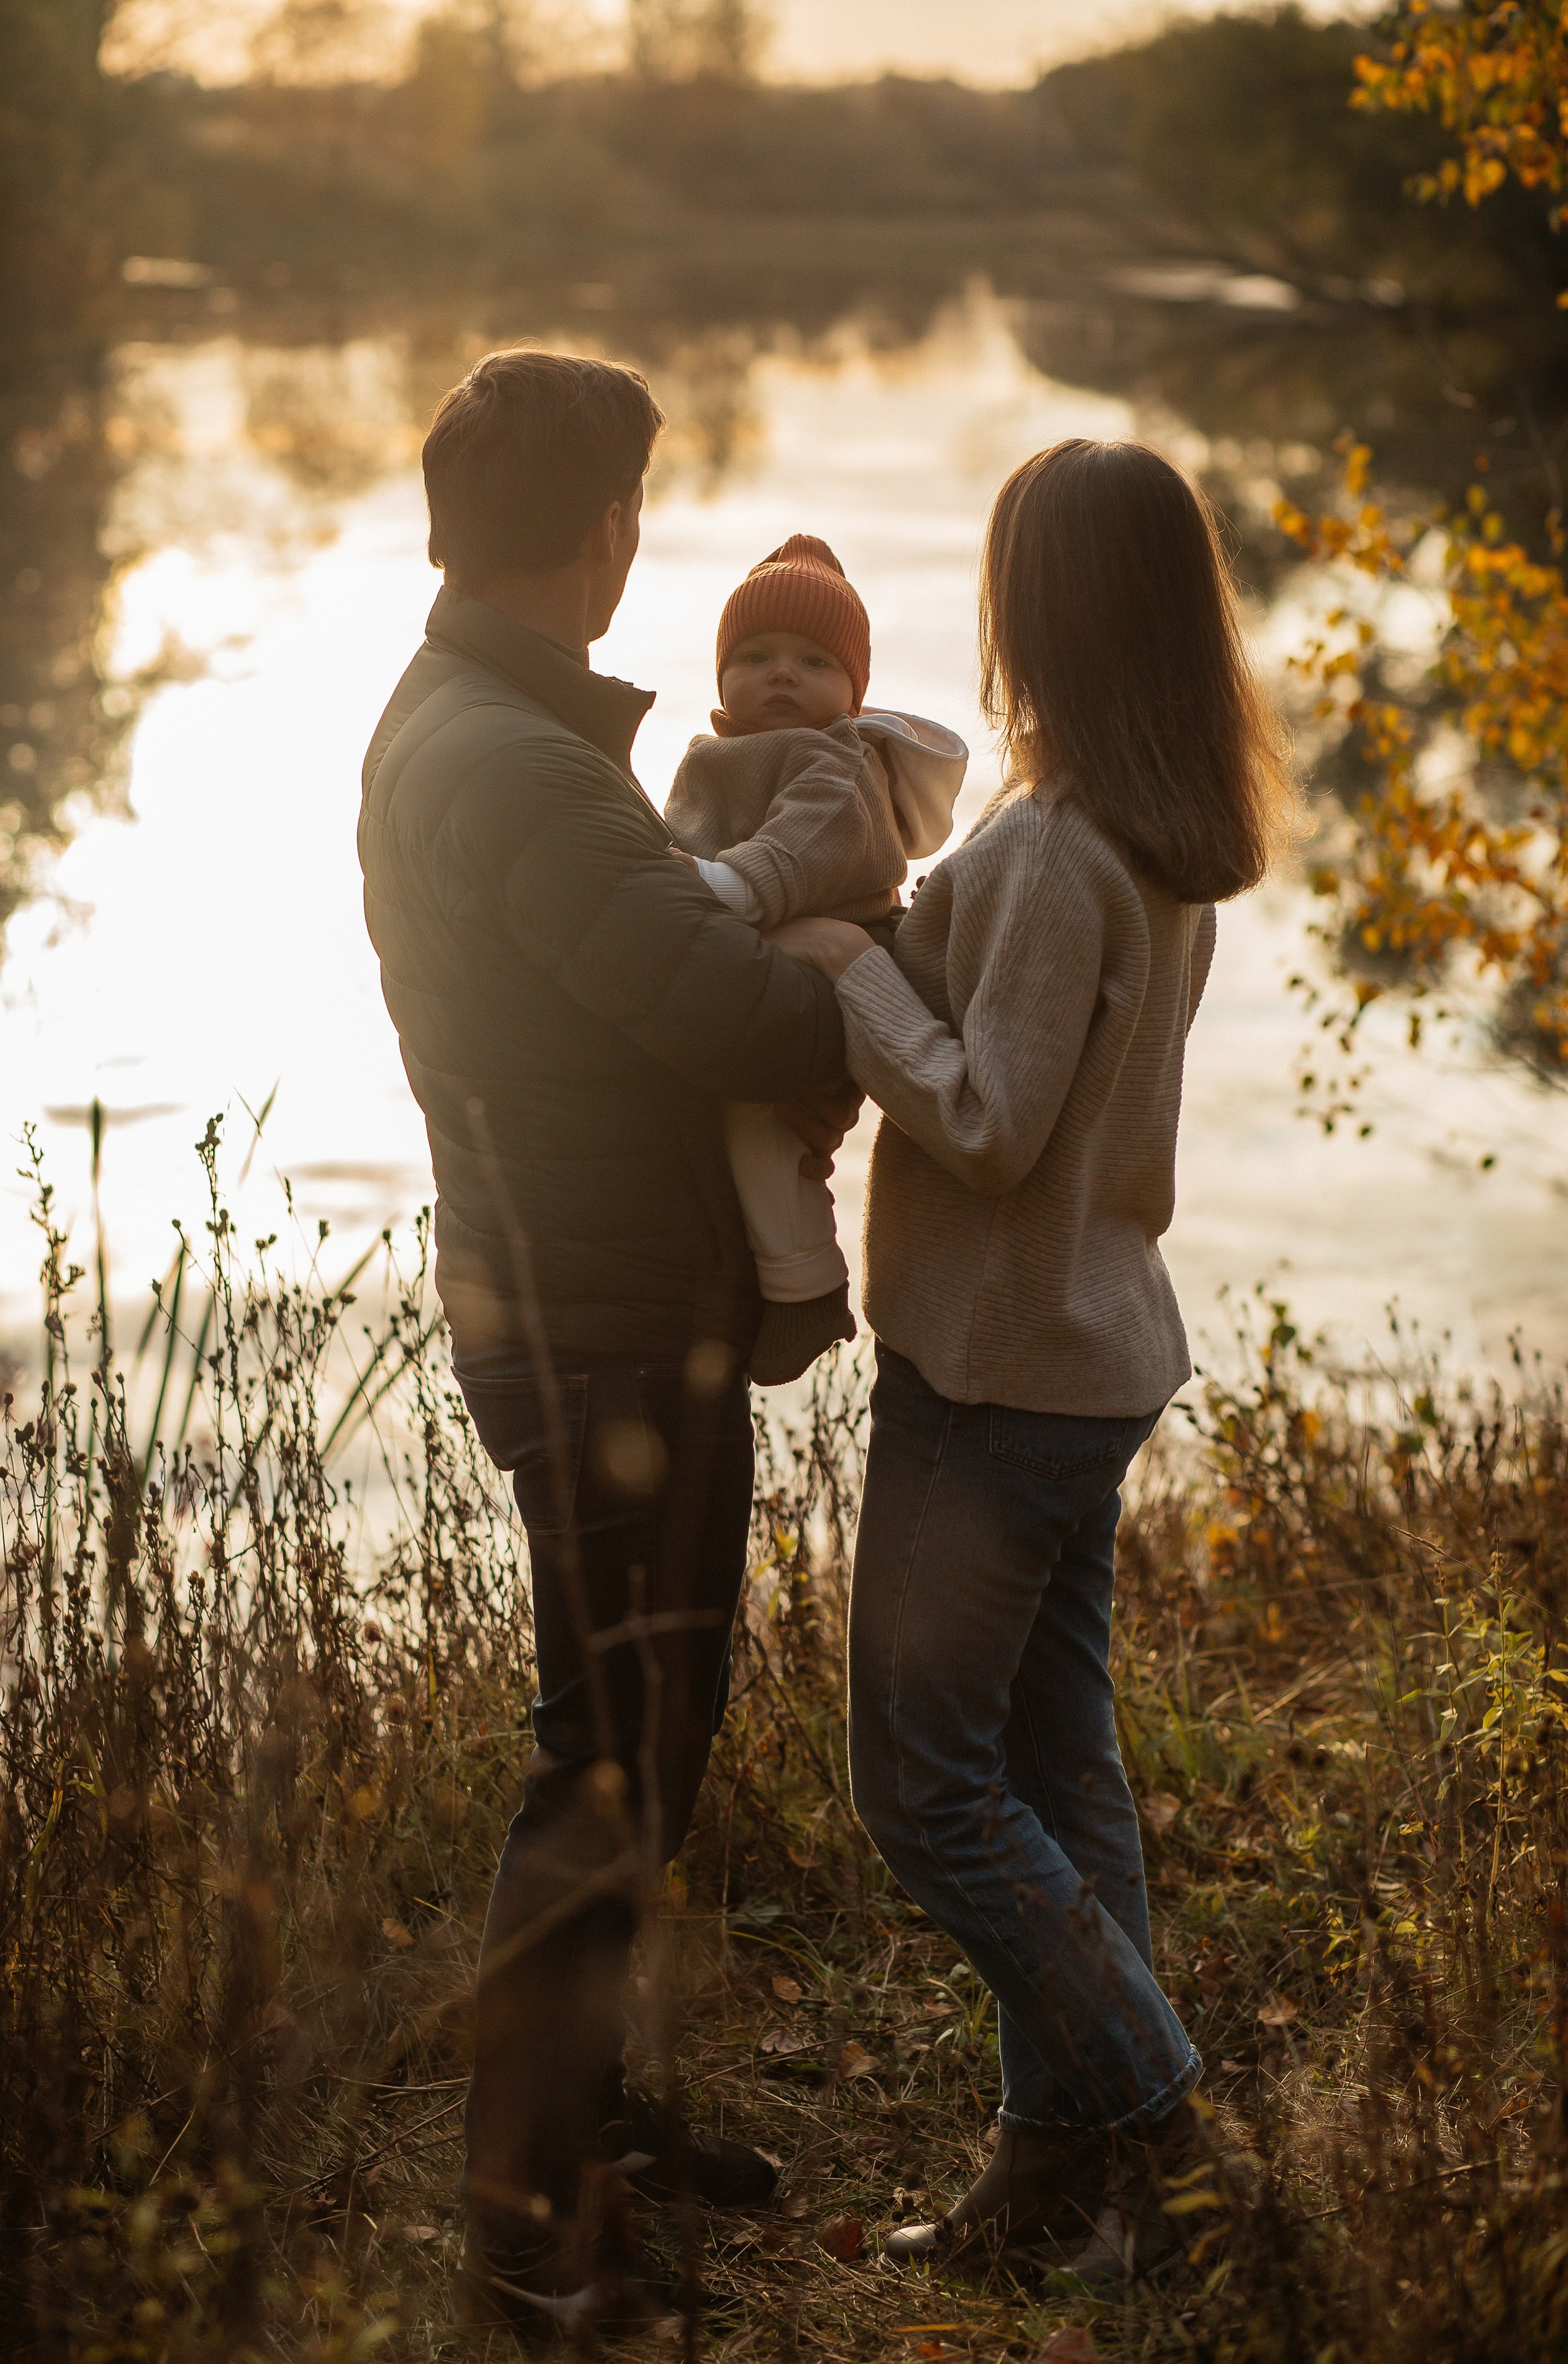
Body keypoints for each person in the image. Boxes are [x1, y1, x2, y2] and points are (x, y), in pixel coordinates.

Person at [356, 348, 854, 2332]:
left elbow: (661, 974)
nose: (642, 537)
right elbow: (727, 1010)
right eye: (636, 510)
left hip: (597, 1289)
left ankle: (593, 2111)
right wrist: (905, 1013)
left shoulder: (497, 726)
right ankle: (524, 2204)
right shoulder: (514, 763)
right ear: (603, 537)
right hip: (597, 1320)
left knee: (644, 1733)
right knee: (604, 1756)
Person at [771, 439, 1293, 2282]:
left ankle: (1182, 2154)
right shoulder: (1147, 828)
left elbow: (987, 1121)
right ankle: (1052, 2183)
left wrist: (846, 966)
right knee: (1064, 1782)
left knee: (923, 1787)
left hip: (995, 1379)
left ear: (1039, 609)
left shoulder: (1067, 850)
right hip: (1088, 1353)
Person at [664, 533, 967, 1384]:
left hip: (839, 971)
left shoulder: (839, 761)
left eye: (812, 660)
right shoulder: (709, 759)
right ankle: (768, 1269)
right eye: (755, 656)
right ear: (721, 681)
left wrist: (719, 890)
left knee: (764, 1135)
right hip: (756, 960)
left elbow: (809, 843)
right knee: (734, 1137)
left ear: (853, 692)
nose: (782, 675)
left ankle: (805, 1287)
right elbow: (672, 847)